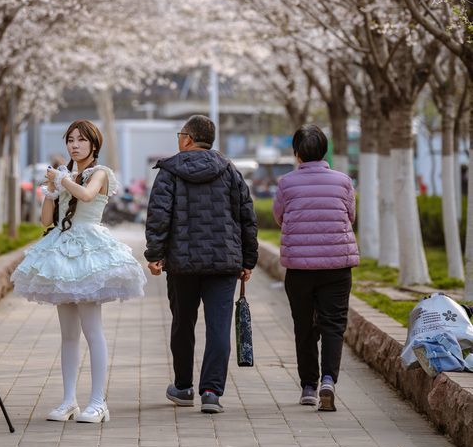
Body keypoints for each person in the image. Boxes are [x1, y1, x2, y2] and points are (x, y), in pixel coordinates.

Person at [11, 120, 146, 424]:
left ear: (93, 145)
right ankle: (68, 400)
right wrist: (50, 191)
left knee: (92, 329)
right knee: (68, 334)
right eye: (70, 140)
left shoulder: (100, 173)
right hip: (62, 249)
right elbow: (47, 221)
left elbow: (86, 196)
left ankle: (98, 402)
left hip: (89, 251)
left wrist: (62, 180)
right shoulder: (66, 177)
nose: (74, 145)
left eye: (81, 140)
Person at [144, 115, 258, 414]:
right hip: (223, 262)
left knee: (183, 324)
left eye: (181, 134)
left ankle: (183, 387)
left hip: (182, 263)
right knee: (219, 327)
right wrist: (248, 260)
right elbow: (247, 216)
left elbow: (159, 216)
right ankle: (211, 391)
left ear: (188, 139)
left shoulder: (169, 172)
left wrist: (154, 254)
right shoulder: (230, 171)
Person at [273, 123, 359, 412]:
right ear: (324, 152)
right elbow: (350, 215)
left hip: (299, 268)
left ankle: (308, 387)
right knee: (333, 325)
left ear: (297, 153)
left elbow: (279, 217)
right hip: (337, 266)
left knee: (304, 326)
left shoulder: (286, 183)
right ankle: (328, 380)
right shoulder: (344, 181)